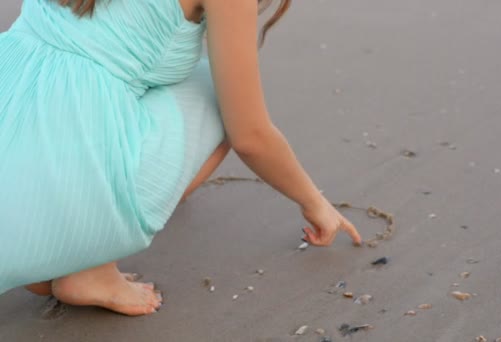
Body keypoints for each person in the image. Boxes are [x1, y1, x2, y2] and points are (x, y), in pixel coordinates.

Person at [0, 0, 362, 316]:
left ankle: (55, 242)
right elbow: (251, 136)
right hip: (68, 159)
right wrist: (313, 201)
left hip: (13, 97)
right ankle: (91, 265)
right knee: (216, 91)